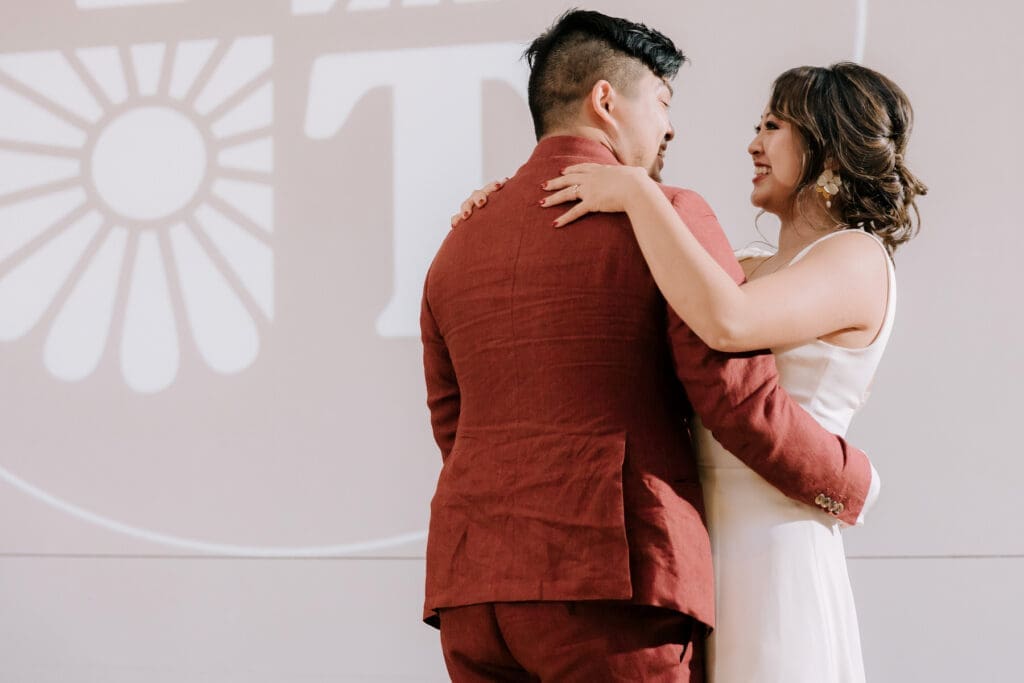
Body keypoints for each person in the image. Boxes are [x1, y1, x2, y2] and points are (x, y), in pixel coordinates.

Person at [424, 10, 876, 682]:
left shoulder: (461, 238)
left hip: (474, 586)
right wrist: (848, 481)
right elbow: (736, 398)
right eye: (663, 102)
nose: (670, 127)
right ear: (606, 101)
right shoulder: (666, 219)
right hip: (613, 580)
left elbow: (452, 423)